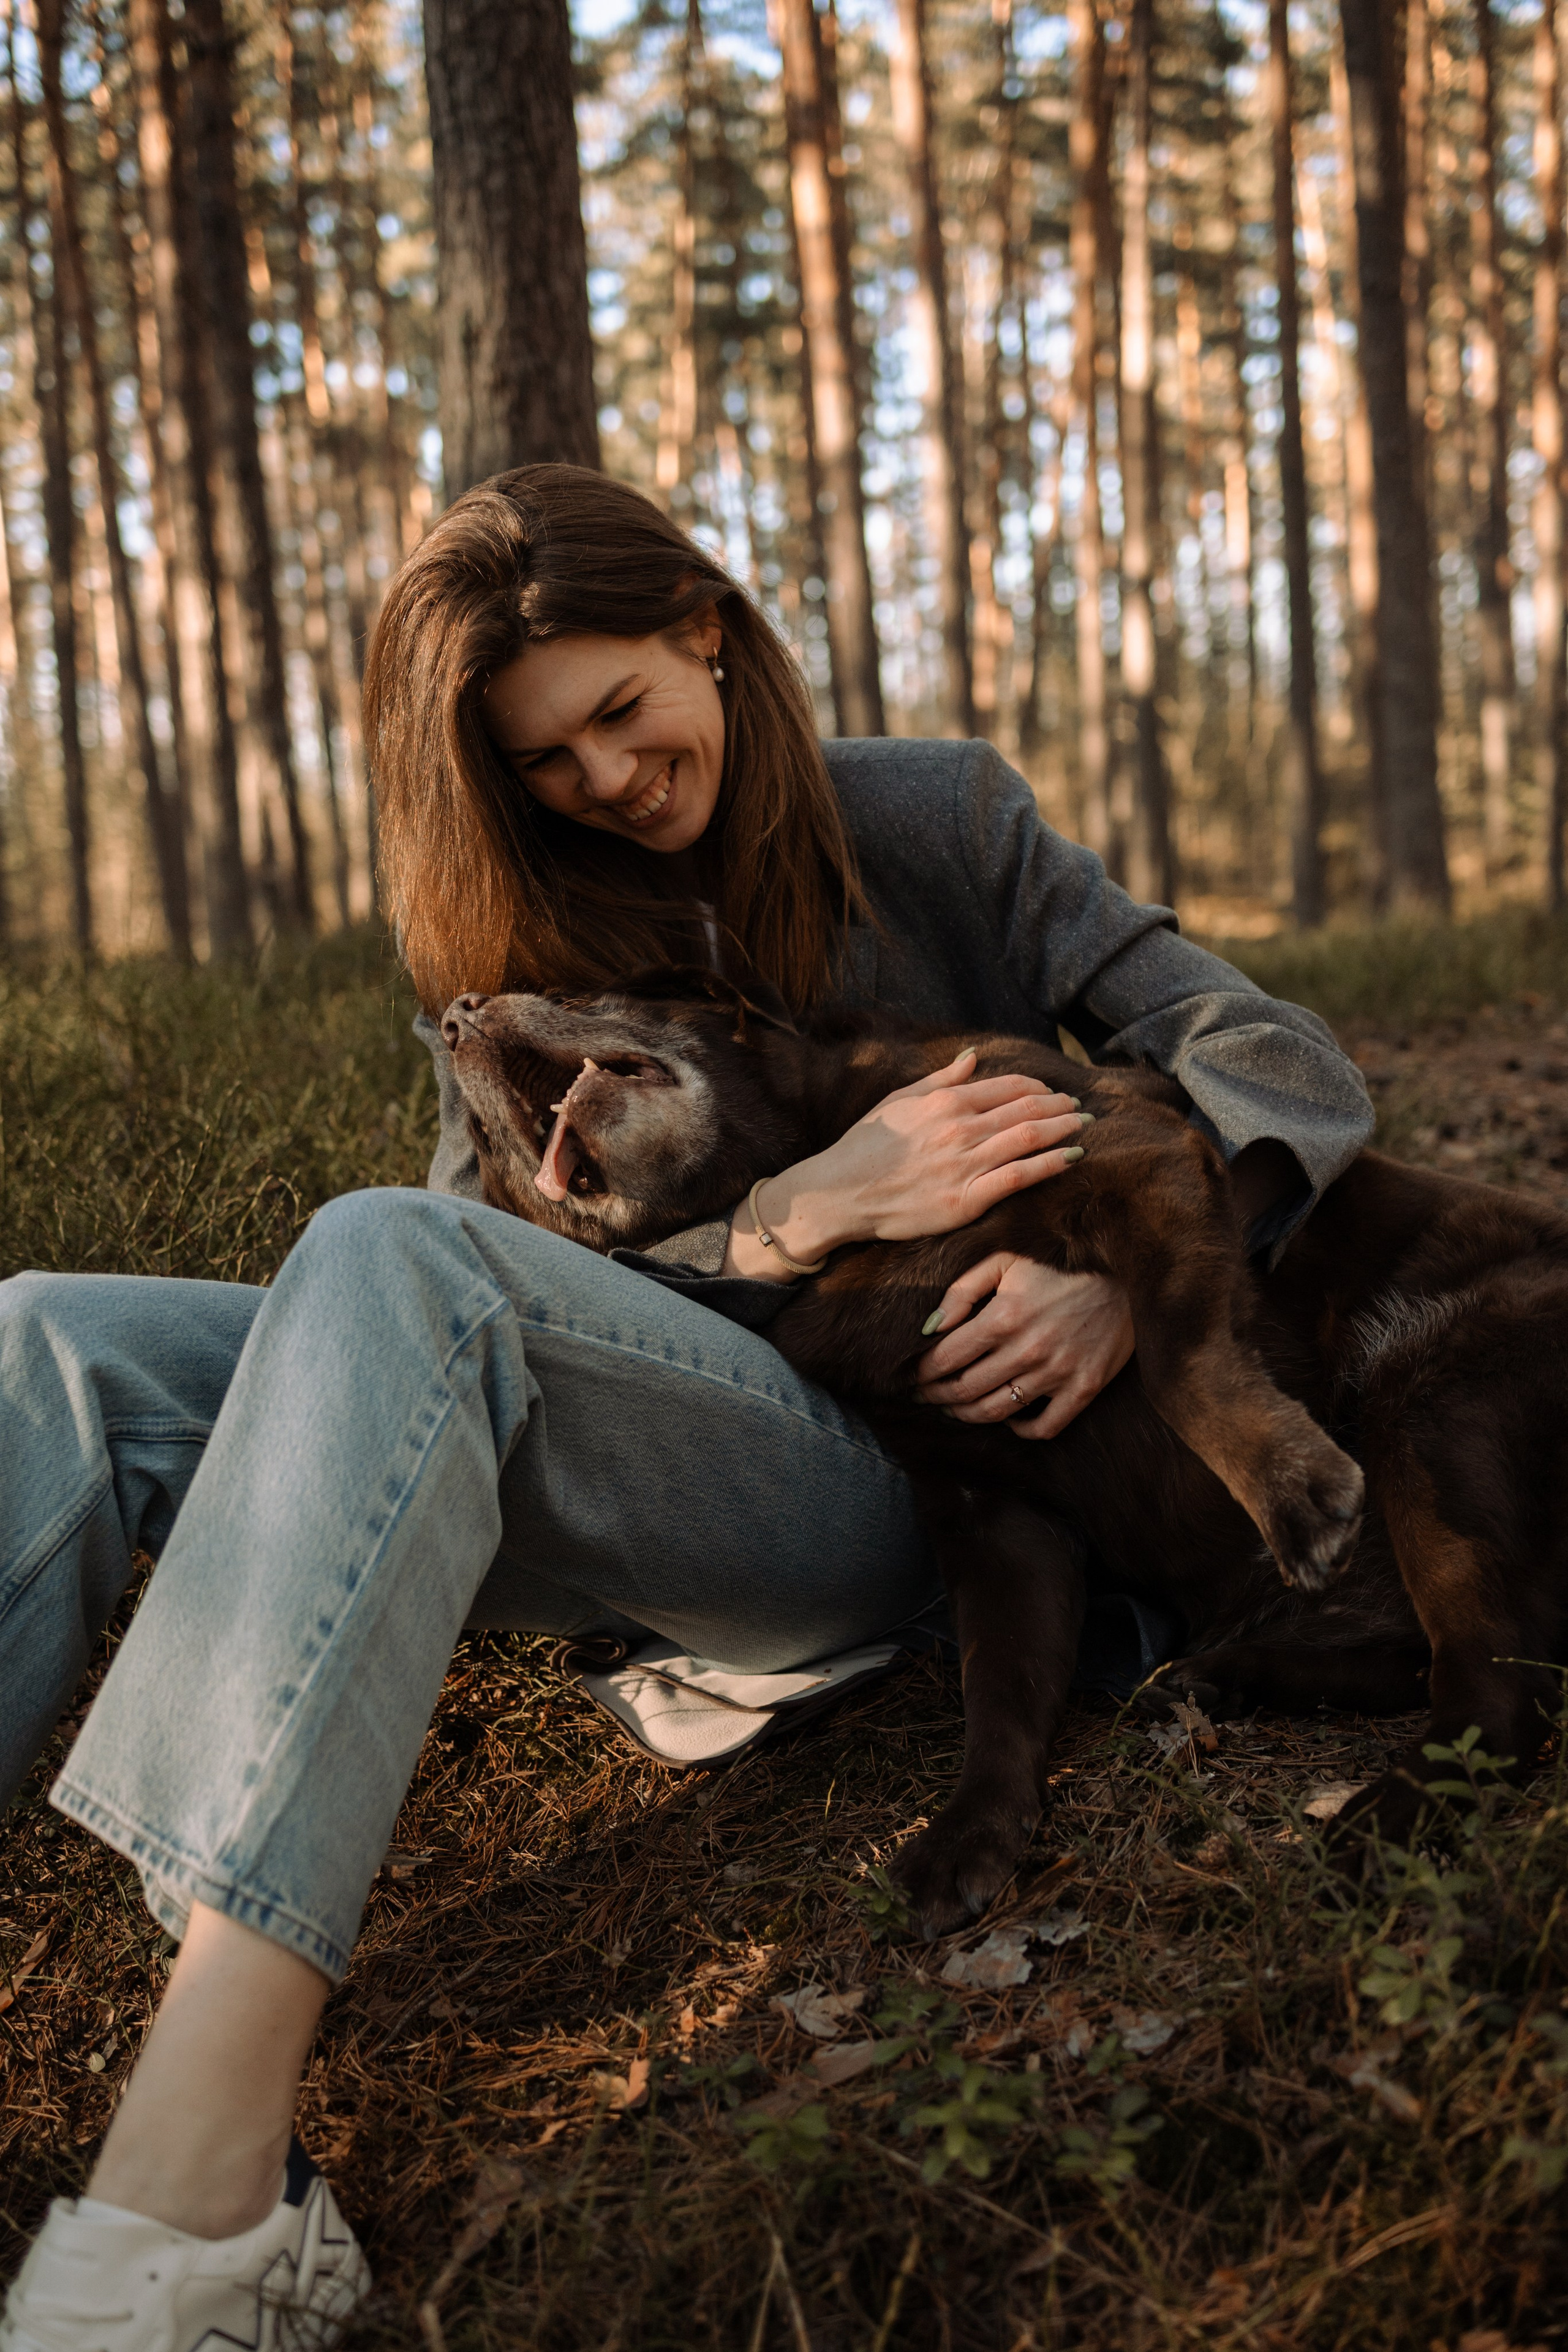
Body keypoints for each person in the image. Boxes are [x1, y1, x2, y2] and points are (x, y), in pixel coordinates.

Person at [0, 466, 1372, 2351]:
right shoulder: (534, 920)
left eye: (623, 715)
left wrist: (1120, 1280)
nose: (607, 784)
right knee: (53, 1339)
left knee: (393, 1257)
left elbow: (1270, 1052)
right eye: (543, 763)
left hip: (922, 1485)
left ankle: (205, 2187)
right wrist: (795, 1216)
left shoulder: (938, 816)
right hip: (676, 1419)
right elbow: (488, 1283)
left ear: (705, 632)